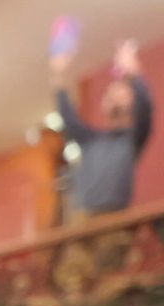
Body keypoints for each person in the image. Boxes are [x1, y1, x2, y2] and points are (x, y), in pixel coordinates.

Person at [54, 40, 153, 217]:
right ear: (104, 106)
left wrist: (133, 72)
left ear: (132, 101)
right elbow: (67, 115)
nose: (114, 96)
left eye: (122, 92)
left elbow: (145, 107)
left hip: (114, 220)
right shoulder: (89, 139)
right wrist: (58, 73)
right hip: (81, 221)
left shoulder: (132, 138)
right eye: (110, 94)